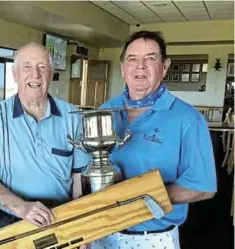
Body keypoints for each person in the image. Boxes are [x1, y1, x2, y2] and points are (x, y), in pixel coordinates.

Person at [91, 31, 216, 249]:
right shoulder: (104, 112)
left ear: (164, 66)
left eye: (150, 58)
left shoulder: (187, 118)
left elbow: (203, 187)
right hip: (102, 234)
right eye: (132, 59)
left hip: (152, 239)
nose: (140, 66)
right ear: (123, 68)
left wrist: (137, 201)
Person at [0, 42, 90, 248]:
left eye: (42, 67)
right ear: (15, 74)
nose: (35, 75)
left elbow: (78, 181)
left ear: (51, 73)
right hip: (9, 222)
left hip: (60, 220)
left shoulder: (73, 116)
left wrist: (80, 227)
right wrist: (22, 207)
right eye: (27, 67)